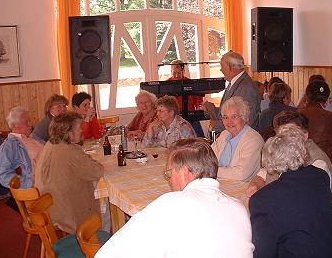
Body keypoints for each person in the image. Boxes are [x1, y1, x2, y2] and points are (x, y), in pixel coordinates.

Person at [95, 138, 254, 258]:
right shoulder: (239, 208)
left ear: (185, 173)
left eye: (169, 173)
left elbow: (108, 255)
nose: (169, 180)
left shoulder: (172, 204)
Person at [249, 126, 332, 258]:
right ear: (302, 152)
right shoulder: (319, 176)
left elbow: (263, 253)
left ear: (269, 162)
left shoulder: (263, 199)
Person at [246, 112, 332, 223]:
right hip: (292, 211)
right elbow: (263, 173)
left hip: (322, 222)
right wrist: (255, 185)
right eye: (280, 134)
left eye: (290, 133)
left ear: (305, 135)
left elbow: (303, 203)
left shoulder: (317, 163)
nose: (285, 138)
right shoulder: (285, 152)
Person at [34, 112, 103, 234]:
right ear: (68, 132)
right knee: (105, 204)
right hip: (65, 211)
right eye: (79, 128)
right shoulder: (70, 151)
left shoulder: (50, 144)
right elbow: (97, 171)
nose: (82, 130)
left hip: (48, 206)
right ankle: (102, 239)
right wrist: (90, 159)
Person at [203, 50, 260, 132]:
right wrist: (211, 109)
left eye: (222, 66)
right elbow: (230, 112)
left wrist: (217, 125)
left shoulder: (247, 88)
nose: (221, 70)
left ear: (231, 67)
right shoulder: (234, 83)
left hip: (242, 141)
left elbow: (246, 120)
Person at [211, 97, 264, 181]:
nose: (229, 122)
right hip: (219, 186)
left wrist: (212, 171)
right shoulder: (225, 135)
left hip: (243, 189)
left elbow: (241, 174)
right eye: (225, 117)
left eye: (234, 117)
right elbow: (208, 160)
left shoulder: (253, 140)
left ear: (244, 118)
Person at [0, 107, 43, 188]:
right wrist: (29, 184)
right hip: (39, 185)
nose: (31, 124)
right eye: (27, 122)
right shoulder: (9, 146)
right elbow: (4, 174)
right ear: (15, 126)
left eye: (30, 121)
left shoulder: (34, 138)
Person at [168, 59, 205, 137]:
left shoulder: (191, 83)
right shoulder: (166, 85)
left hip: (190, 116)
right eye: (174, 73)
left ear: (183, 71)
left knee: (199, 137)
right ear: (171, 71)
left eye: (179, 73)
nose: (177, 76)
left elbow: (199, 102)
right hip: (173, 117)